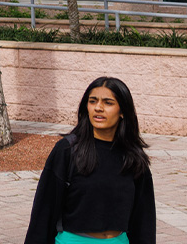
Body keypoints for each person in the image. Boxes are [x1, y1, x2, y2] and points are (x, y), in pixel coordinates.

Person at [25, 76, 156, 244]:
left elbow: (144, 220)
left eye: (108, 103)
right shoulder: (67, 150)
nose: (98, 108)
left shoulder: (133, 156)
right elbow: (44, 211)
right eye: (93, 101)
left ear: (122, 111)